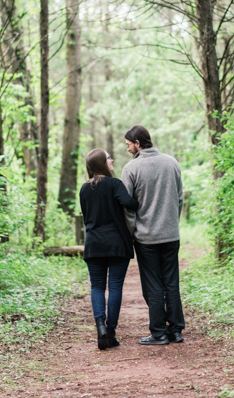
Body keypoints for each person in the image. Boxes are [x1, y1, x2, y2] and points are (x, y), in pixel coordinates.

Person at [121, 125, 186, 346]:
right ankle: (175, 331)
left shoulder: (131, 168)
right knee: (171, 282)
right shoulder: (171, 162)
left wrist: (132, 232)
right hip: (170, 235)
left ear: (138, 143)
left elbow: (128, 208)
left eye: (129, 143)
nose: (127, 147)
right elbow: (179, 199)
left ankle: (158, 333)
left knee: (153, 285)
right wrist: (171, 224)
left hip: (146, 238)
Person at [79, 148, 139, 350]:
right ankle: (111, 331)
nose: (111, 160)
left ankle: (101, 329)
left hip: (94, 244)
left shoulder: (84, 189)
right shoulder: (115, 184)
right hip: (116, 244)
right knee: (114, 287)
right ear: (101, 163)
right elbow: (130, 203)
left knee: (97, 286)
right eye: (108, 158)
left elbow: (86, 217)